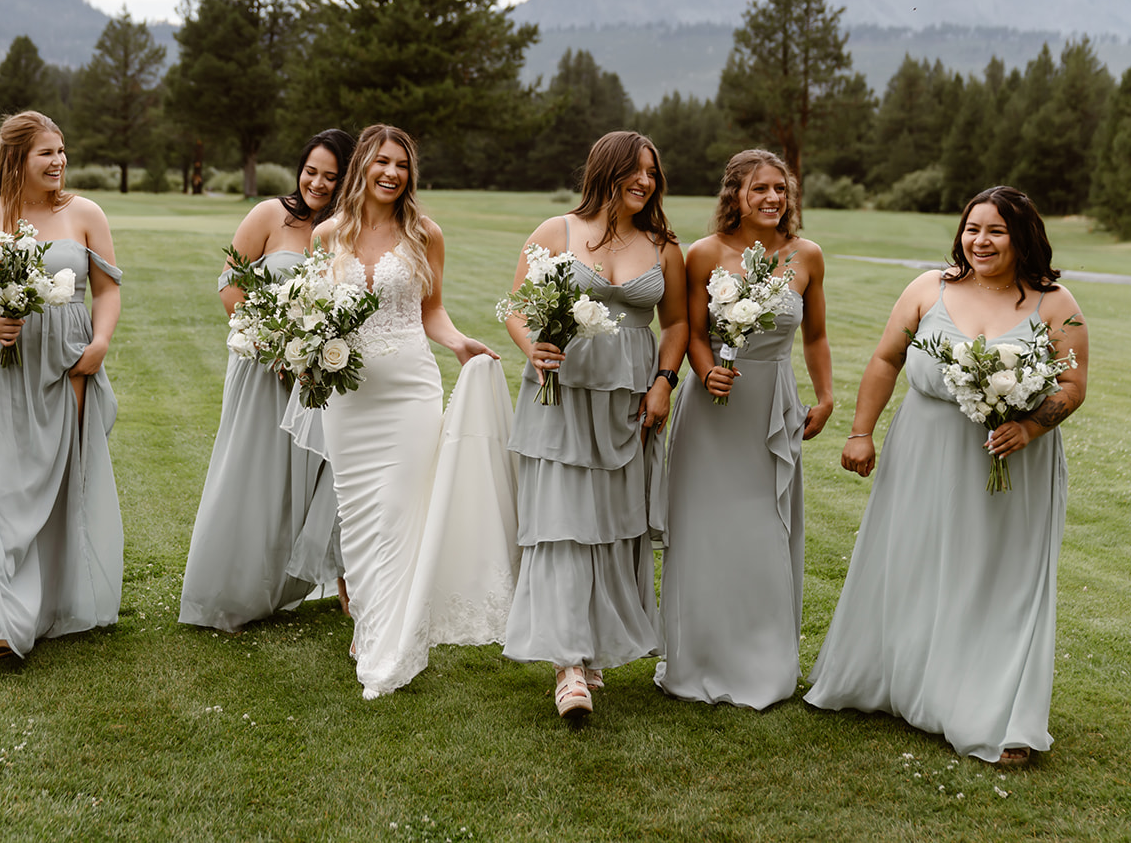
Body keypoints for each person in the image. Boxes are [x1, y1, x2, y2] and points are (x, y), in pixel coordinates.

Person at [804, 186, 1088, 766]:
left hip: (1012, 460)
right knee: (915, 563)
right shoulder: (927, 289)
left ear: (1022, 237)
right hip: (924, 451)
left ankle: (995, 712)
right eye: (972, 229)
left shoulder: (1055, 304)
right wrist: (861, 431)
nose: (980, 241)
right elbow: (886, 359)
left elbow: (1072, 386)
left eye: (996, 231)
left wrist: (1031, 428)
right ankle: (903, 684)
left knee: (998, 578)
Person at [309, 124, 510, 699]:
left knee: (399, 513)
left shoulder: (425, 234)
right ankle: (370, 624)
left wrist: (459, 343)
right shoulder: (328, 235)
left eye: (402, 165)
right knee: (359, 520)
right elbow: (314, 313)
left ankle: (391, 644)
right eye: (382, 162)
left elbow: (433, 311)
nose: (392, 173)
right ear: (363, 169)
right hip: (349, 400)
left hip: (410, 393)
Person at [501, 131, 689, 719]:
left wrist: (663, 381)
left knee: (611, 526)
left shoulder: (663, 246)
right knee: (561, 523)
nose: (645, 181)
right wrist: (532, 348)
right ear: (605, 171)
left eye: (652, 173)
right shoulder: (555, 232)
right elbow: (517, 307)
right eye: (635, 170)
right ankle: (569, 667)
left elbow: (678, 324)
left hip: (627, 403)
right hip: (559, 399)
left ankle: (593, 645)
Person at [654, 149, 833, 709]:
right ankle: (698, 657)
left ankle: (763, 661)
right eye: (760, 189)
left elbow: (816, 337)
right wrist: (705, 372)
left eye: (781, 189)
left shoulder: (807, 257)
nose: (773, 199)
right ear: (734, 194)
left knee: (764, 530)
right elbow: (690, 328)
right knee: (705, 531)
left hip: (771, 407)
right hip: (714, 410)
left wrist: (826, 396)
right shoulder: (704, 254)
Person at [0, 111, 124, 661]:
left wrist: (99, 344)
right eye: (47, 152)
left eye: (62, 151)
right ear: (17, 159)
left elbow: (107, 291)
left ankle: (45, 606)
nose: (59, 162)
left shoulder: (86, 214)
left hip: (66, 362)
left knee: (53, 480)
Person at [179, 129, 356, 632]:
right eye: (310, 171)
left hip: (320, 375)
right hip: (261, 368)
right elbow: (230, 284)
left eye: (331, 175)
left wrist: (316, 354)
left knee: (314, 477)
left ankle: (332, 582)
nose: (317, 183)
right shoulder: (268, 215)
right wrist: (275, 344)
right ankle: (236, 588)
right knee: (253, 473)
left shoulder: (350, 228)